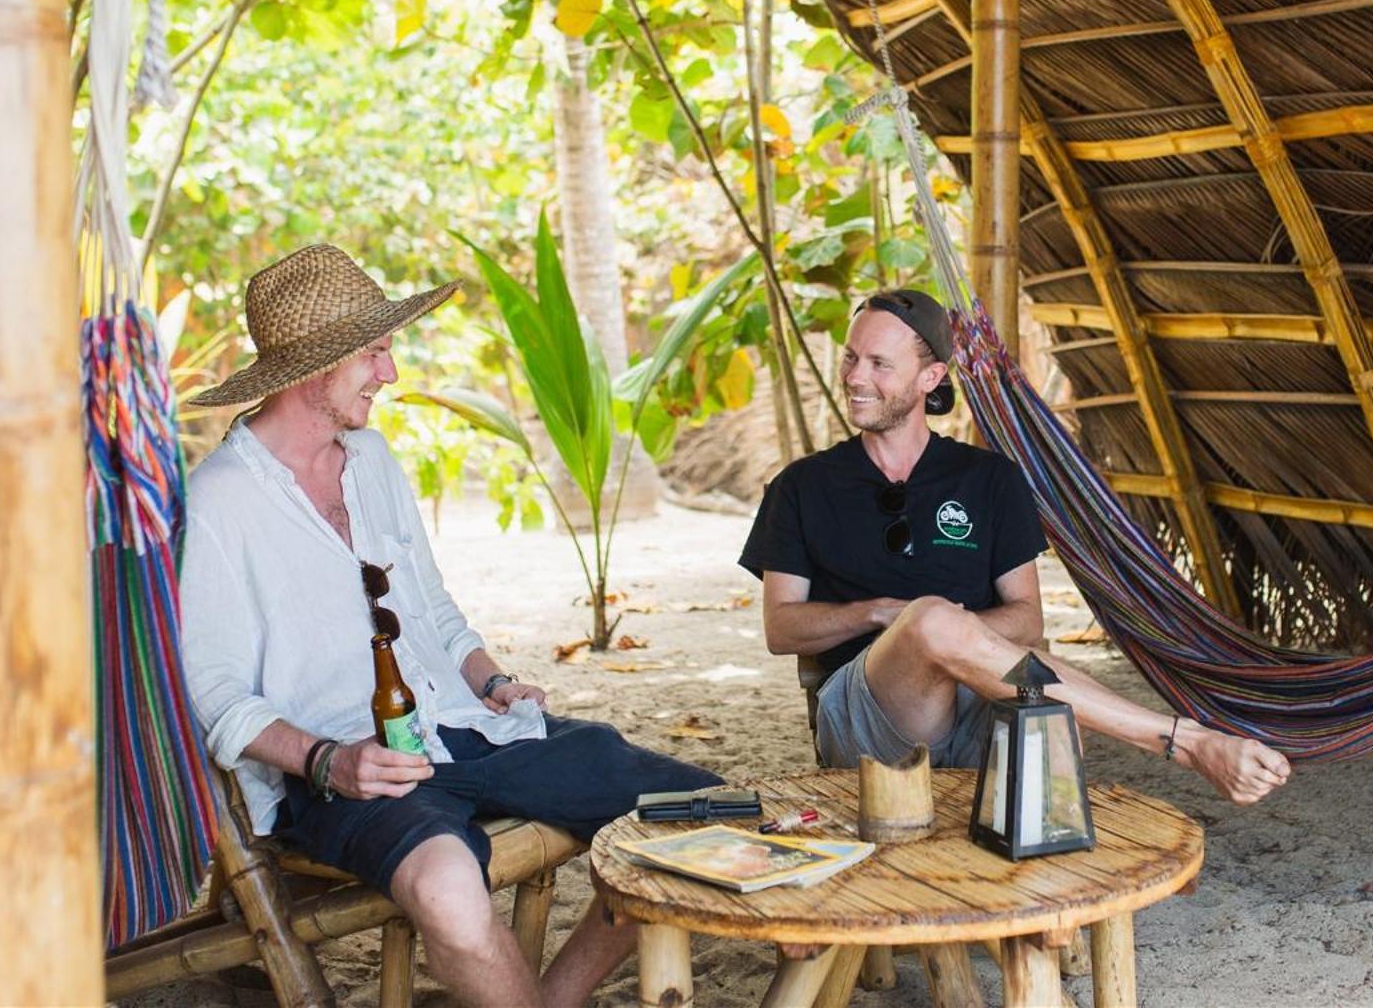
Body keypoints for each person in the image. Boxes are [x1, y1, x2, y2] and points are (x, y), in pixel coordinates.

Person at [181, 244, 720, 1008]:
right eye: (375, 351)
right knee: (450, 896)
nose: (390, 373)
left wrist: (492, 679)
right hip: (353, 772)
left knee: (701, 816)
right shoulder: (218, 502)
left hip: (470, 726)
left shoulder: (372, 460)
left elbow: (432, 610)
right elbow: (212, 694)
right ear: (316, 364)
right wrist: (331, 761)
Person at [740, 288, 1290, 806]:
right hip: (869, 716)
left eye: (879, 364)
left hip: (982, 700)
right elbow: (780, 629)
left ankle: (1045, 866)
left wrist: (957, 639)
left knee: (1044, 698)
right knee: (932, 619)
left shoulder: (989, 479)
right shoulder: (801, 487)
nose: (856, 377)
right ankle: (1186, 741)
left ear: (931, 377)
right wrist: (888, 616)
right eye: (851, 358)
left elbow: (1026, 619)